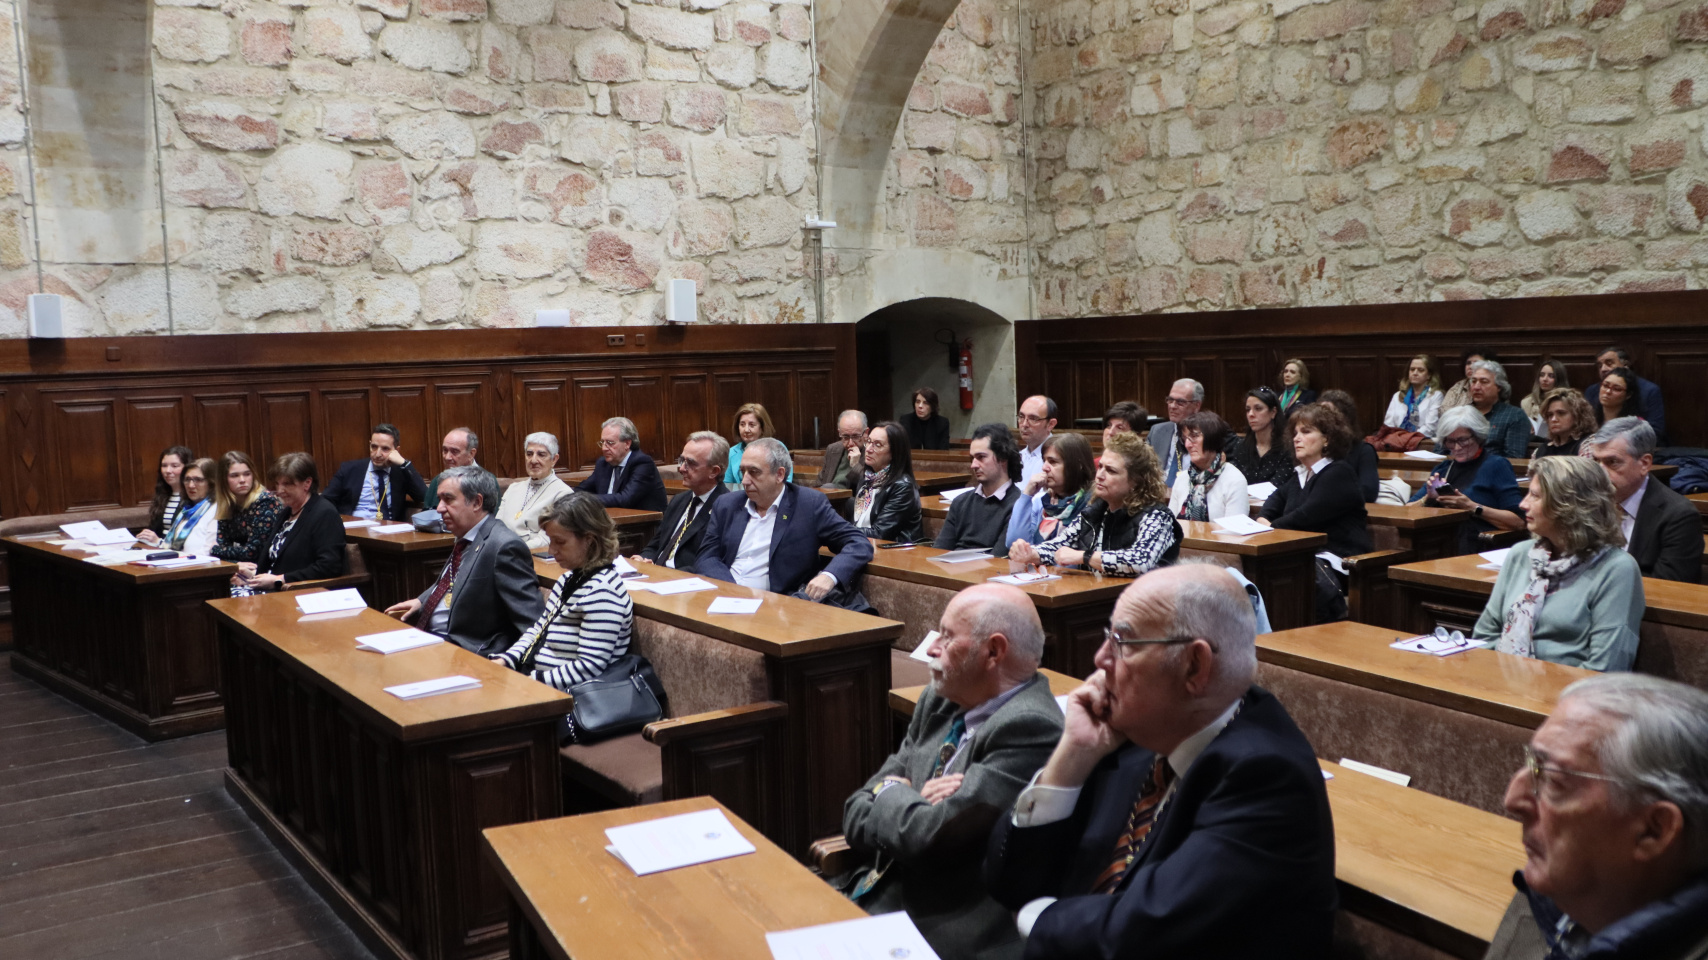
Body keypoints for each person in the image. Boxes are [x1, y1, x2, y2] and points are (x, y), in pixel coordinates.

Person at [983, 565, 1337, 958]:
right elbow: (1007, 880)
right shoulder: (1136, 734)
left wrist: (1037, 916)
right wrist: (1071, 757)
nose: (1100, 658)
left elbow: (1145, 930)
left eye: (1125, 642)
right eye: (1108, 637)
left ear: (1194, 666)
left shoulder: (1267, 777)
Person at [837, 584, 1064, 960]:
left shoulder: (1030, 727)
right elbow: (853, 810)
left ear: (993, 651)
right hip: (877, 894)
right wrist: (907, 800)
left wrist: (891, 793)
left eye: (947, 636)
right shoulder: (939, 701)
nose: (931, 648)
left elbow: (927, 839)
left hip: (941, 929)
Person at [1485, 673, 1708, 960]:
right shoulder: (1558, 896)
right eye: (1533, 765)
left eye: (1552, 779)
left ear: (1653, 831)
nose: (1512, 800)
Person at [1472, 456, 1644, 672]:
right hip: (1502, 684)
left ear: (1568, 506)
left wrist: (1532, 686)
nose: (1523, 504)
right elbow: (1484, 637)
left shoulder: (1616, 569)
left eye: (1535, 496)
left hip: (1568, 698)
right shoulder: (1520, 555)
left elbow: (1607, 667)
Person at [385, 466, 545, 655]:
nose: (439, 508)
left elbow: (533, 624)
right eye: (439, 499)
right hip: (432, 640)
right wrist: (423, 601)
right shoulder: (466, 536)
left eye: (448, 499)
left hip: (466, 653)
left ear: (477, 502)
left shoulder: (504, 547)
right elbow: (453, 583)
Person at [695, 436, 873, 602]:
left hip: (779, 605)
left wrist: (829, 576)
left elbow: (857, 542)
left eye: (754, 472)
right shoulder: (727, 504)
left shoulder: (808, 504)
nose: (745, 480)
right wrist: (733, 592)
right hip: (725, 597)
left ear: (779, 475)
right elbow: (707, 556)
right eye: (743, 471)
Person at [494, 494, 634, 694]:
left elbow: (589, 668)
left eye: (560, 542)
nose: (551, 550)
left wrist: (525, 682)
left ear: (589, 540)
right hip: (536, 683)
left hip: (566, 698)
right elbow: (537, 632)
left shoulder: (604, 592)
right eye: (551, 541)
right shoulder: (567, 580)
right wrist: (505, 661)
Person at [1011, 432, 1182, 577]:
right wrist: (1031, 553)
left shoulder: (1157, 516)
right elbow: (1059, 545)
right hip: (1098, 600)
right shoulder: (1095, 512)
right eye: (1100, 467)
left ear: (1135, 481)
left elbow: (1140, 562)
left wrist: (1084, 557)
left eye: (1111, 470)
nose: (1099, 475)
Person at [1582, 417, 1701, 584]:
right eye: (1596, 461)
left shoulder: (1678, 516)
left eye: (1612, 462)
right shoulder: (1586, 502)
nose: (1599, 472)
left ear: (1645, 463)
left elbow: (1668, 586)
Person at [1258, 403, 1372, 557]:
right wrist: (1262, 518)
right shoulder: (1300, 475)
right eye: (1295, 433)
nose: (1297, 438)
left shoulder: (1339, 473)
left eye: (1305, 432)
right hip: (1304, 554)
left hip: (1337, 557)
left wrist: (1271, 527)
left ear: (1326, 439)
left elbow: (1307, 515)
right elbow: (1275, 500)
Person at [1410, 407, 1527, 555]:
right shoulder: (1444, 469)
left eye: (1463, 440)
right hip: (1441, 546)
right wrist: (1428, 498)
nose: (1456, 447)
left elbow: (1519, 522)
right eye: (1450, 441)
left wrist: (1472, 507)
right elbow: (1407, 511)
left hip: (1478, 548)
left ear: (1478, 437)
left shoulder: (1496, 465)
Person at [230, 453, 346, 594]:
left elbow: (329, 567)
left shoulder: (324, 514)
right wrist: (252, 576)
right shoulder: (287, 513)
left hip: (296, 593)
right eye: (278, 484)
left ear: (307, 483)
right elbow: (276, 561)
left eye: (287, 484)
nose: (279, 491)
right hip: (271, 589)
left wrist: (279, 579)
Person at [637, 431, 730, 570]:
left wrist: (664, 575)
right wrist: (644, 559)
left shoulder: (726, 508)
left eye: (691, 463)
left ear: (714, 471)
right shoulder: (679, 500)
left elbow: (711, 563)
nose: (681, 468)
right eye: (682, 460)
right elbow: (655, 545)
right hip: (655, 576)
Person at [936, 424, 1026, 555]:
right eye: (972, 458)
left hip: (987, 572)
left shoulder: (1018, 505)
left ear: (1003, 458)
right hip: (952, 570)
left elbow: (998, 559)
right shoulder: (961, 502)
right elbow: (939, 551)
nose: (973, 465)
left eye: (981, 457)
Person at [1006, 433, 1095, 550]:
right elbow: (1015, 543)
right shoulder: (1043, 502)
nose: (1044, 467)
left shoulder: (1091, 503)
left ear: (1078, 465)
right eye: (1044, 461)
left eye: (1053, 462)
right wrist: (1027, 495)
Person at [321, 423, 427, 521]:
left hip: (390, 533)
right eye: (374, 447)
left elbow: (424, 497)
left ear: (396, 451)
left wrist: (404, 464)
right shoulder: (350, 469)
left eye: (385, 449)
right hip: (355, 528)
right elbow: (326, 500)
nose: (377, 454)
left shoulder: (401, 472)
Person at [1437, 360, 1531, 459]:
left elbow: (1514, 459)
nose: (1476, 387)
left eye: (1484, 382)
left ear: (1499, 386)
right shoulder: (1457, 413)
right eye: (1473, 381)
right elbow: (1438, 452)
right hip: (1454, 468)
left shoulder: (1515, 416)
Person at [1168, 412, 1249, 522]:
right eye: (1185, 438)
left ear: (1212, 438)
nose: (1187, 444)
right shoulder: (1182, 479)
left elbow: (1234, 533)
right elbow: (1170, 526)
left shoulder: (1234, 480)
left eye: (1194, 436)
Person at [498, 432, 572, 550]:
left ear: (554, 459)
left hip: (531, 557)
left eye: (541, 455)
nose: (533, 460)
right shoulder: (513, 488)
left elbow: (547, 539)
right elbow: (497, 526)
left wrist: (512, 550)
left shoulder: (563, 494)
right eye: (529, 454)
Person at [576, 416, 667, 511]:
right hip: (610, 520)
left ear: (627, 444)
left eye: (610, 443)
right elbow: (583, 488)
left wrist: (586, 499)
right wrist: (566, 496)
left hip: (643, 523)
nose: (604, 448)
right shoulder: (603, 463)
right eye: (602, 442)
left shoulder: (642, 463)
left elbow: (626, 499)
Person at [853, 421, 923, 543]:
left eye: (877, 445)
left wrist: (840, 529)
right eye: (868, 442)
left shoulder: (902, 486)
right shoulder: (867, 479)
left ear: (894, 453)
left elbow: (879, 533)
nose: (868, 449)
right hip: (863, 544)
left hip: (893, 553)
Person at [210, 451, 285, 565]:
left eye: (247, 474)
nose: (242, 480)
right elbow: (223, 545)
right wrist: (237, 564)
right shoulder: (227, 504)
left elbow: (252, 553)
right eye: (234, 475)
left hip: (266, 569)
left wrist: (214, 549)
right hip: (240, 568)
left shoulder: (265, 501)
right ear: (223, 479)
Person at [1583, 346, 1667, 444]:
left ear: (1626, 365)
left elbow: (1655, 431)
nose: (1603, 369)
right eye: (1600, 365)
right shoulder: (1592, 390)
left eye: (1609, 363)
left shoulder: (1649, 390)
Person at [141, 457, 218, 554]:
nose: (190, 485)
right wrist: (158, 542)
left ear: (212, 483)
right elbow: (173, 544)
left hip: (198, 565)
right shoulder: (186, 509)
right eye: (187, 479)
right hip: (178, 563)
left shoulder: (216, 509)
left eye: (198, 480)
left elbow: (209, 551)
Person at [1319, 390, 1380, 502]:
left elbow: (1368, 492)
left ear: (1344, 419)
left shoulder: (1363, 451)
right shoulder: (1315, 449)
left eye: (1328, 415)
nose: (1322, 421)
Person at [1226, 387, 1292, 488]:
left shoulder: (1287, 448)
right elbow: (1233, 482)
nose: (1251, 414)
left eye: (1258, 409)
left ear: (1273, 412)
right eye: (1248, 410)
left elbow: (1279, 485)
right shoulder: (1241, 447)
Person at [1147, 379, 1202, 488]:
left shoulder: (1207, 434)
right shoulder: (1157, 431)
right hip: (1158, 497)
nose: (1172, 406)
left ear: (1196, 406)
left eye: (1180, 402)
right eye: (1170, 400)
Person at [725, 402, 794, 484]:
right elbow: (728, 485)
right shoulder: (732, 452)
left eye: (752, 425)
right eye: (742, 424)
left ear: (762, 427)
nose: (746, 430)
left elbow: (786, 481)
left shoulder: (777, 447)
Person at [1381, 354, 1443, 440]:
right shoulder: (1398, 395)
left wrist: (1408, 439)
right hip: (1396, 442)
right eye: (1412, 369)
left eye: (1420, 370)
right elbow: (1388, 424)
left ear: (1429, 375)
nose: (1415, 373)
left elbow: (1430, 427)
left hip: (1422, 442)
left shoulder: (1436, 395)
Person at [145, 445, 194, 539]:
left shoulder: (193, 498)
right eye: (164, 466)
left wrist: (158, 541)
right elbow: (155, 529)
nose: (167, 471)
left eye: (174, 466)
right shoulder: (162, 496)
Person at [1534, 387, 1597, 459]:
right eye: (1550, 415)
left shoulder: (1588, 444)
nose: (1553, 419)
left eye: (1561, 413)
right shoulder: (1541, 451)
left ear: (1577, 415)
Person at [426, 427, 480, 509]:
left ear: (471, 453)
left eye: (455, 451)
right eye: (445, 450)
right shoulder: (436, 481)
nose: (447, 457)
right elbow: (425, 516)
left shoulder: (486, 482)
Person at [815, 410, 869, 490]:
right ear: (839, 432)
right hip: (829, 497)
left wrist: (855, 465)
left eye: (855, 436)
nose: (850, 443)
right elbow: (820, 482)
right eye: (845, 437)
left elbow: (868, 486)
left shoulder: (872, 452)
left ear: (866, 433)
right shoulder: (833, 449)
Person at [1017, 395, 1058, 488]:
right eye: (1021, 416)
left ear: (1051, 424)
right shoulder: (1017, 456)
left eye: (1033, 419)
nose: (1024, 424)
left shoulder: (1059, 458)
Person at [1522, 360, 1570, 437]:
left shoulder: (1568, 400)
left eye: (1551, 376)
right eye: (1542, 375)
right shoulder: (1527, 402)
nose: (1545, 379)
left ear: (1559, 379)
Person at [1441, 345, 1495, 414]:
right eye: (1468, 363)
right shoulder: (1458, 386)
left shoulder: (1493, 385)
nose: (1471, 366)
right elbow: (1443, 411)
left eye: (1476, 363)